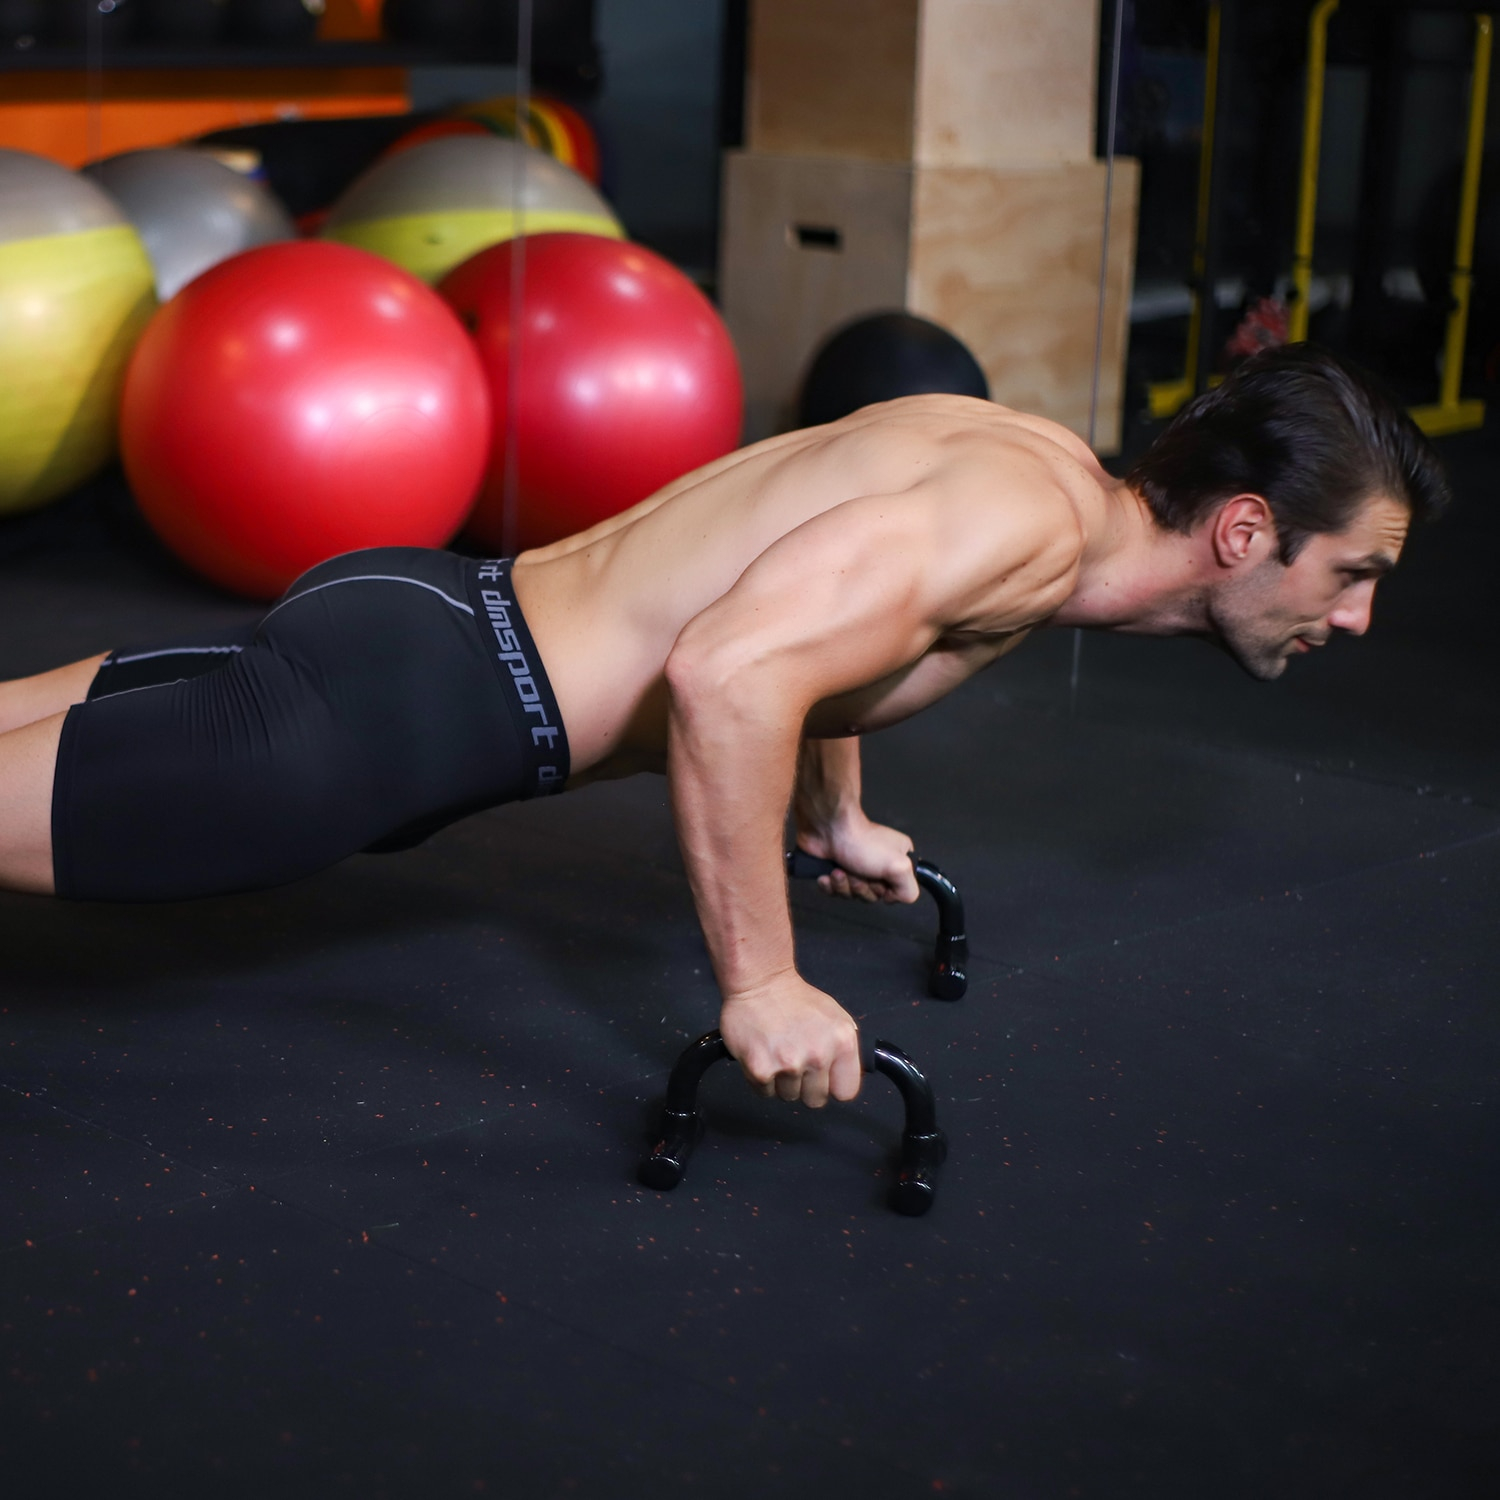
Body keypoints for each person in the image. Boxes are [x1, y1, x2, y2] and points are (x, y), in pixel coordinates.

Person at [0, 344, 1449, 1106]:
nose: (1361, 618)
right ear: (1244, 531)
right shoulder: (1027, 532)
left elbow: (810, 617)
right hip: (400, 716)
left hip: (422, 614)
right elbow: (735, 670)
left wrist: (835, 814)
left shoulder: (1033, 464)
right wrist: (762, 981)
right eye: (1354, 574)